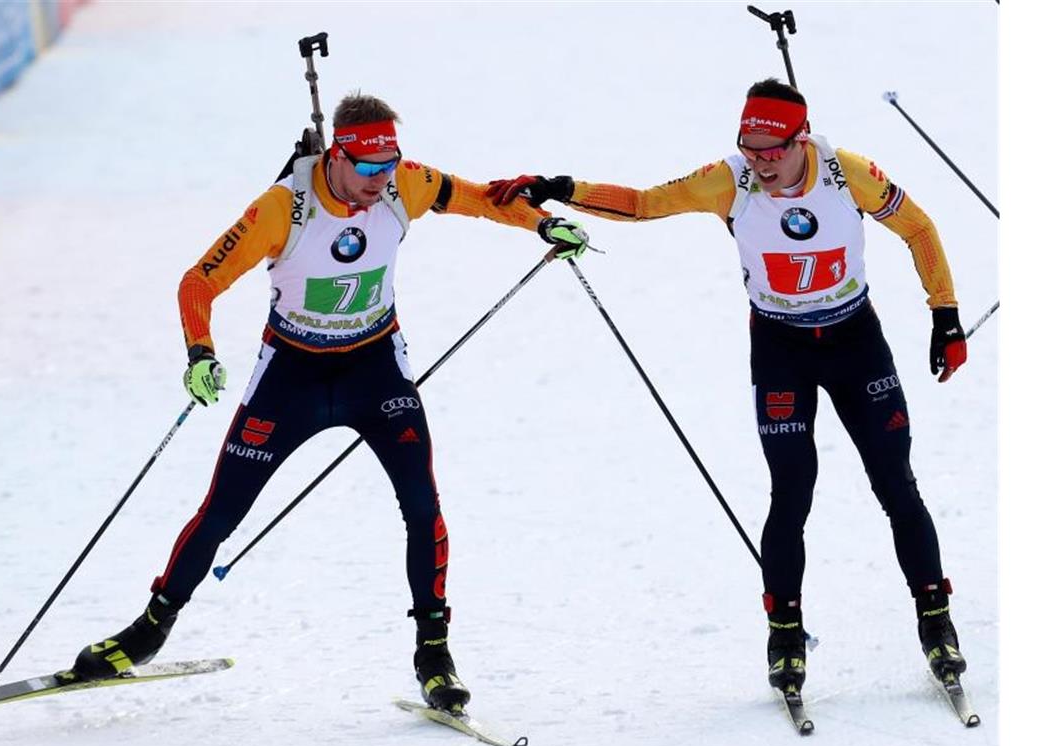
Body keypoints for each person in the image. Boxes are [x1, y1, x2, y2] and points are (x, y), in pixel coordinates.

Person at [62, 92, 591, 712]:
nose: (380, 181)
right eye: (367, 169)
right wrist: (200, 352)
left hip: (376, 372)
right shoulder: (282, 208)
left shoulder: (404, 184)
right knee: (221, 512)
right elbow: (199, 280)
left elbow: (477, 198)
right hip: (292, 376)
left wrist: (542, 224)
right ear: (335, 156)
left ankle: (434, 653)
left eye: (388, 166)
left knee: (423, 508)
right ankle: (150, 628)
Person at [486, 78, 969, 694]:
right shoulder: (729, 178)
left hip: (855, 343)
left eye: (773, 149)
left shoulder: (848, 173)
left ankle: (936, 620)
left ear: (800, 140)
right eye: (751, 147)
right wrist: (560, 189)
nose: (761, 162)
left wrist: (945, 313)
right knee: (792, 492)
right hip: (780, 348)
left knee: (896, 484)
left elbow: (920, 229)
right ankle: (785, 635)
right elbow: (641, 203)